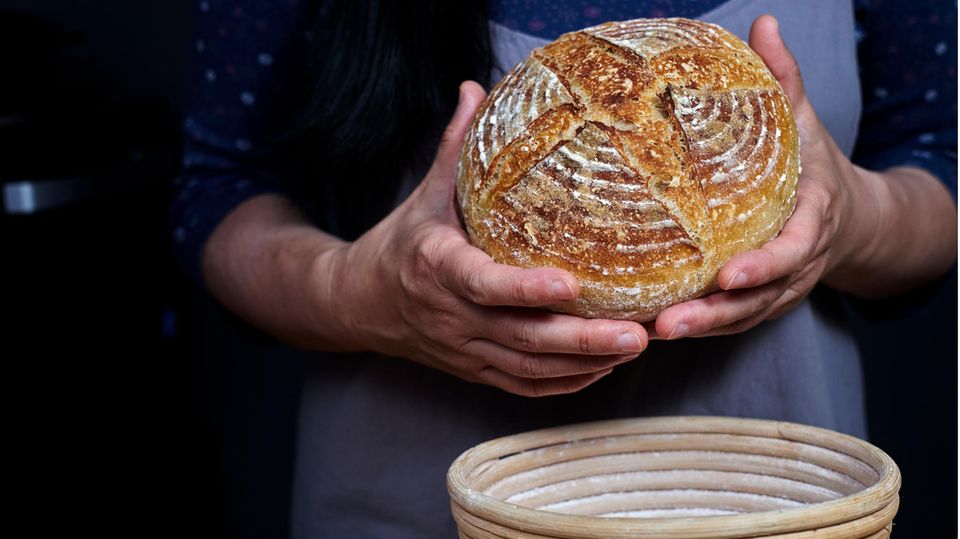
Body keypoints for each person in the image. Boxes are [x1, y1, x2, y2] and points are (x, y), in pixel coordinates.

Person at [171, 0, 957, 536]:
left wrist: (847, 217)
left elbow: (940, 162)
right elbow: (219, 190)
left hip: (772, 500)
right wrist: (357, 293)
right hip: (423, 497)